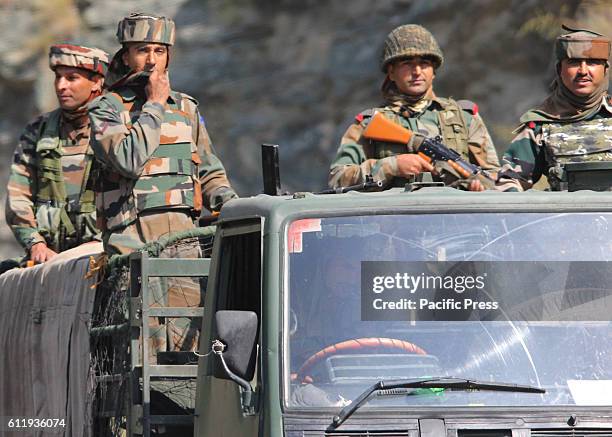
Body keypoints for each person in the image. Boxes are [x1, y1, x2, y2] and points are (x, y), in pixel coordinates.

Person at [88, 13, 237, 255]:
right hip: (132, 248)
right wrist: (155, 105)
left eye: (159, 51)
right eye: (142, 50)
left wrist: (233, 205)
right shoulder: (106, 108)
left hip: (185, 244)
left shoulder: (186, 108)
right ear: (126, 57)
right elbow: (129, 161)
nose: (151, 60)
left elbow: (209, 172)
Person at [329, 24, 500, 192]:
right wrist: (392, 166)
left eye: (424, 63)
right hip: (394, 217)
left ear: (434, 71)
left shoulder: (464, 117)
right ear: (391, 72)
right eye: (407, 63)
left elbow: (493, 177)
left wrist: (479, 187)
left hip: (452, 216)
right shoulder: (369, 123)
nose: (417, 71)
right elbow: (338, 179)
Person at [5, 44, 109, 263]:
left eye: (71, 78)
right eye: (58, 77)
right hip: (48, 258)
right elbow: (18, 194)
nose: (61, 86)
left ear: (96, 82)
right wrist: (35, 243)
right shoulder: (38, 130)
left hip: (102, 254)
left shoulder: (116, 129)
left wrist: (104, 242)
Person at [502, 25, 611, 191]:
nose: (583, 71)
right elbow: (510, 183)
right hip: (564, 216)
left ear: (605, 70)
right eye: (574, 62)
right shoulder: (539, 125)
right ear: (559, 69)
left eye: (592, 62)